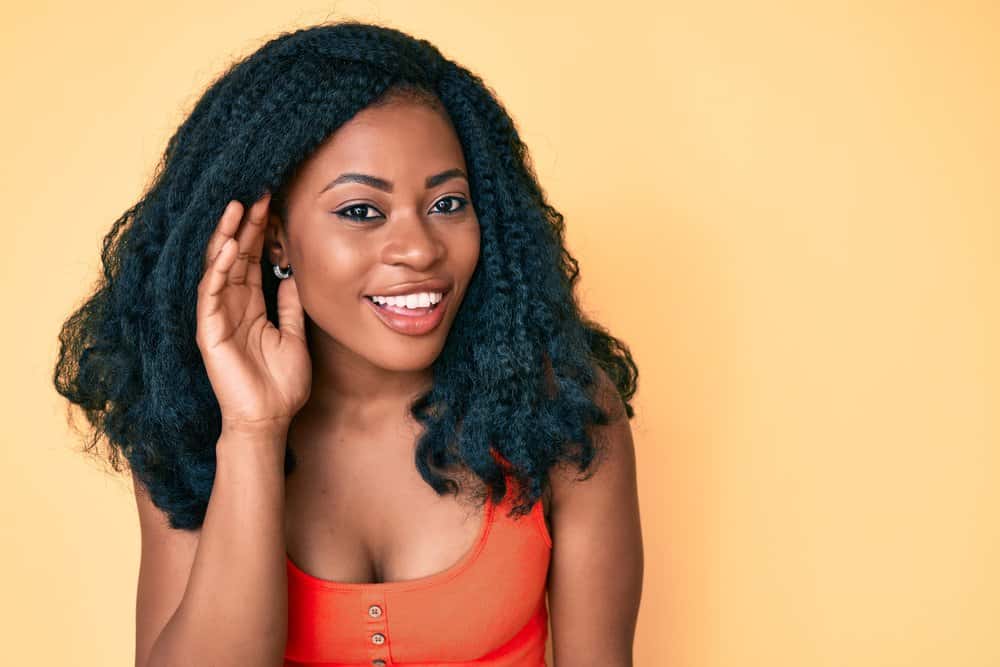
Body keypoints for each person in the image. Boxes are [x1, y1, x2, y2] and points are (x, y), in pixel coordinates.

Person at [53, 19, 643, 667]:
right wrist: (253, 428)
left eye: (447, 203)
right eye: (362, 211)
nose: (419, 248)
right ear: (273, 236)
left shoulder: (563, 414)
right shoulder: (188, 418)